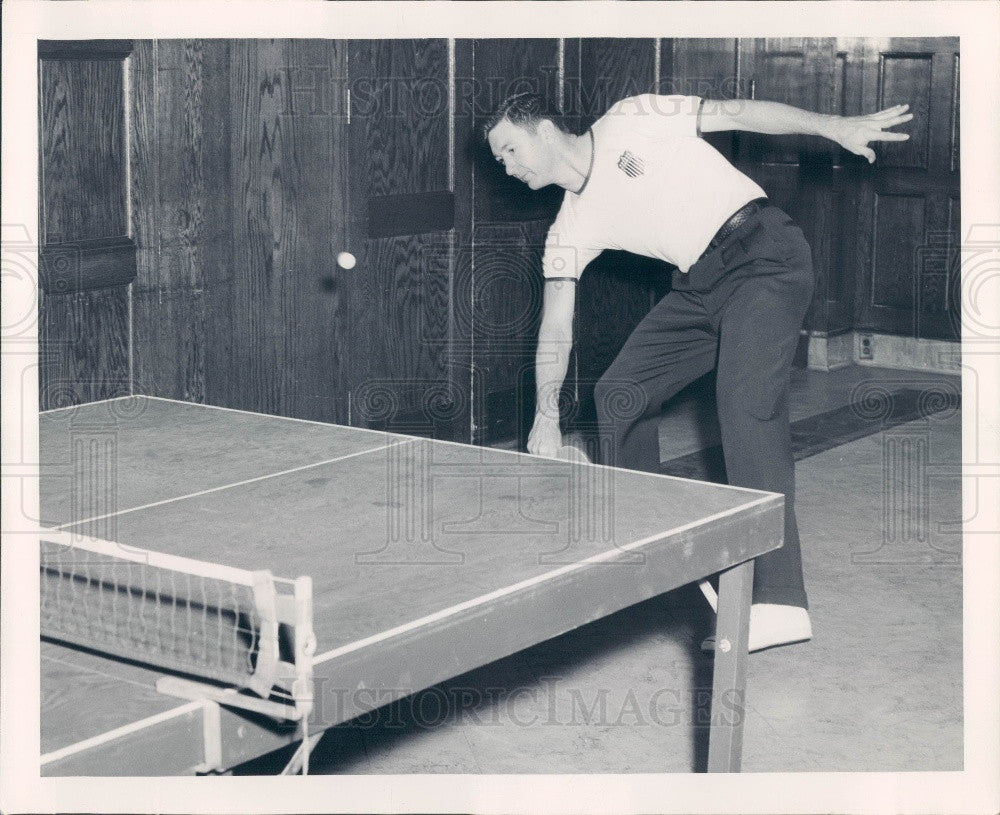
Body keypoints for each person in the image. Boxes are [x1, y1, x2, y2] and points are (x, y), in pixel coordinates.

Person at [483, 91, 911, 652]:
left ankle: (780, 601)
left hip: (764, 253)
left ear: (540, 128)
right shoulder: (569, 227)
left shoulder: (631, 118)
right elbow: (556, 328)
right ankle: (658, 552)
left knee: (744, 405)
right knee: (619, 394)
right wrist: (544, 415)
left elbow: (738, 112)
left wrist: (834, 125)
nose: (509, 168)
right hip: (700, 285)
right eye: (500, 162)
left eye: (511, 151)